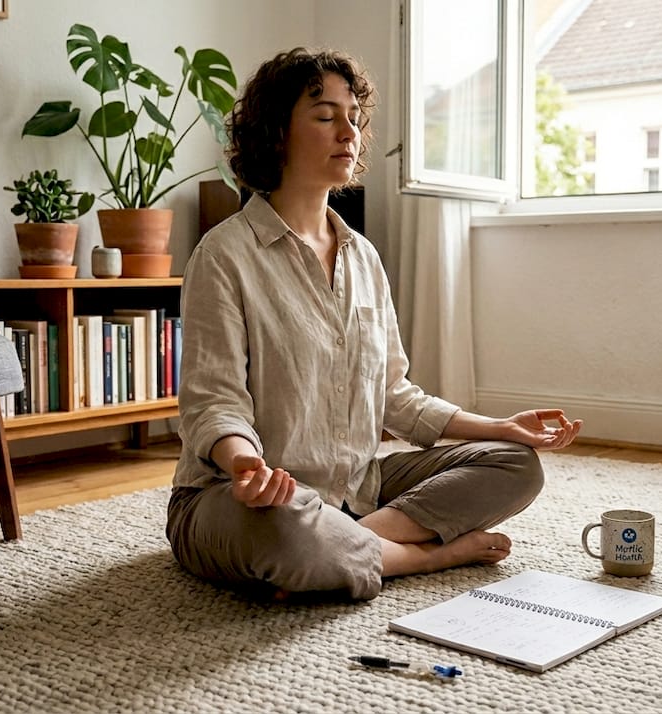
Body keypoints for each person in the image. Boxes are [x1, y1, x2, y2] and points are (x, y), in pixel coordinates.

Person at [166, 47, 582, 601]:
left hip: (355, 490)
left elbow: (393, 394)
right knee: (288, 526)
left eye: (354, 118)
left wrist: (502, 427)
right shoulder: (224, 254)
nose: (349, 131)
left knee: (515, 466)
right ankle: (418, 557)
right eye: (324, 116)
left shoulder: (363, 257)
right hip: (243, 499)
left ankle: (342, 550)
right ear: (277, 134)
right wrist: (248, 466)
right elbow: (213, 401)